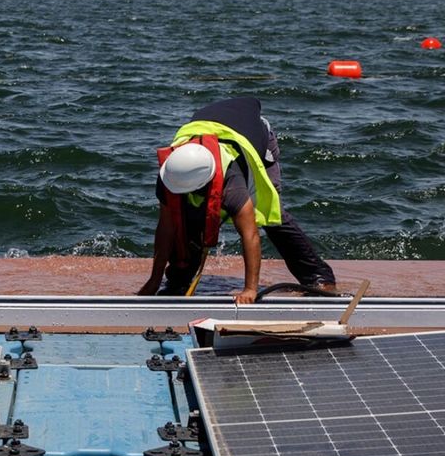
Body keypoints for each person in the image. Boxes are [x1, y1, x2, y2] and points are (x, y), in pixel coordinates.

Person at [138, 97, 335, 304]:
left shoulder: (231, 183)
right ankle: (179, 280)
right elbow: (166, 229)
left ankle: (316, 276)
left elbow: (249, 234)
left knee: (270, 215)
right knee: (187, 220)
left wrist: (250, 289)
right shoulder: (171, 174)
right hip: (210, 126)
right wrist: (154, 280)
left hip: (255, 137)